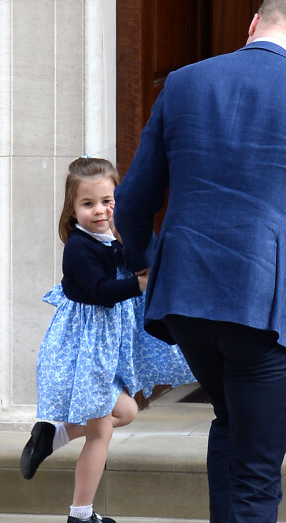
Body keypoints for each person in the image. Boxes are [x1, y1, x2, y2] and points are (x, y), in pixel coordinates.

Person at [113, 0, 286, 522]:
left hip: (184, 299)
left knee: (231, 424)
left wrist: (149, 262)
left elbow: (132, 202)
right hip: (265, 305)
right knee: (257, 475)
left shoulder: (184, 83)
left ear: (254, 23)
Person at [20, 157, 196, 523]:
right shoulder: (79, 248)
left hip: (109, 348)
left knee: (127, 411)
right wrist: (141, 283)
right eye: (88, 204)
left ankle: (54, 436)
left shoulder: (117, 237)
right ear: (72, 211)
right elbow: (99, 291)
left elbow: (145, 255)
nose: (100, 211)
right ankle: (80, 515)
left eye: (107, 201)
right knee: (100, 432)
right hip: (89, 349)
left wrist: (126, 239)